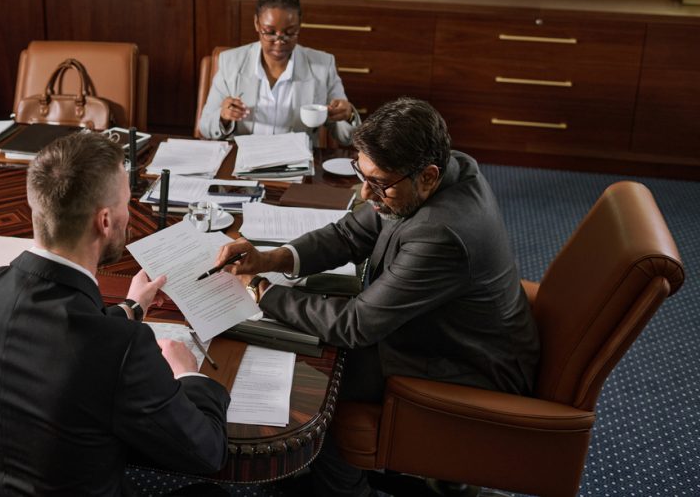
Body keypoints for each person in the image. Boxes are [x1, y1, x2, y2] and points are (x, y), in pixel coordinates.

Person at [215, 97, 539, 496]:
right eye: (361, 173)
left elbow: (356, 326)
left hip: (469, 362)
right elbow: (351, 233)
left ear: (428, 177)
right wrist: (270, 258)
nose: (365, 192)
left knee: (317, 382)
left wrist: (261, 292)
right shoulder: (443, 167)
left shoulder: (442, 234)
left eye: (379, 183)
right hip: (443, 330)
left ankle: (346, 489)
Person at [0, 132, 230, 496]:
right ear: (104, 221)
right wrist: (190, 374)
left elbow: (53, 341)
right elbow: (207, 452)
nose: (130, 215)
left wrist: (130, 309)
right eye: (128, 204)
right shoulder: (121, 349)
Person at [198, 0, 359, 144]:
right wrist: (223, 117)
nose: (279, 42)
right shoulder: (231, 62)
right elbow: (205, 127)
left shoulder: (322, 66)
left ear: (300, 25)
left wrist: (348, 115)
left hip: (296, 163)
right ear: (256, 23)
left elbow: (346, 138)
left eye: (290, 33)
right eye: (270, 33)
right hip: (244, 161)